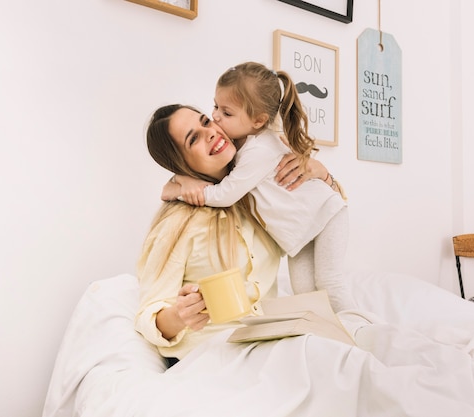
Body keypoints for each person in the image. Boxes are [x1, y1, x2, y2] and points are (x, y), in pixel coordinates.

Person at [135, 103, 337, 359]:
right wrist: (179, 314)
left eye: (206, 122)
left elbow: (325, 216)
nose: (209, 132)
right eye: (193, 139)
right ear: (180, 162)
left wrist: (322, 173)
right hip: (212, 355)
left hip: (267, 343)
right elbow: (148, 314)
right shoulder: (177, 224)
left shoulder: (260, 197)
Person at [161, 62, 356, 312]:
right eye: (215, 106)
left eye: (227, 113)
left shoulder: (260, 149)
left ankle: (360, 332)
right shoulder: (239, 145)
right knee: (305, 292)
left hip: (326, 215)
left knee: (330, 283)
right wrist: (180, 179)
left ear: (258, 120)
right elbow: (193, 167)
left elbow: (224, 194)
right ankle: (328, 337)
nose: (216, 117)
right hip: (302, 230)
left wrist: (180, 191)